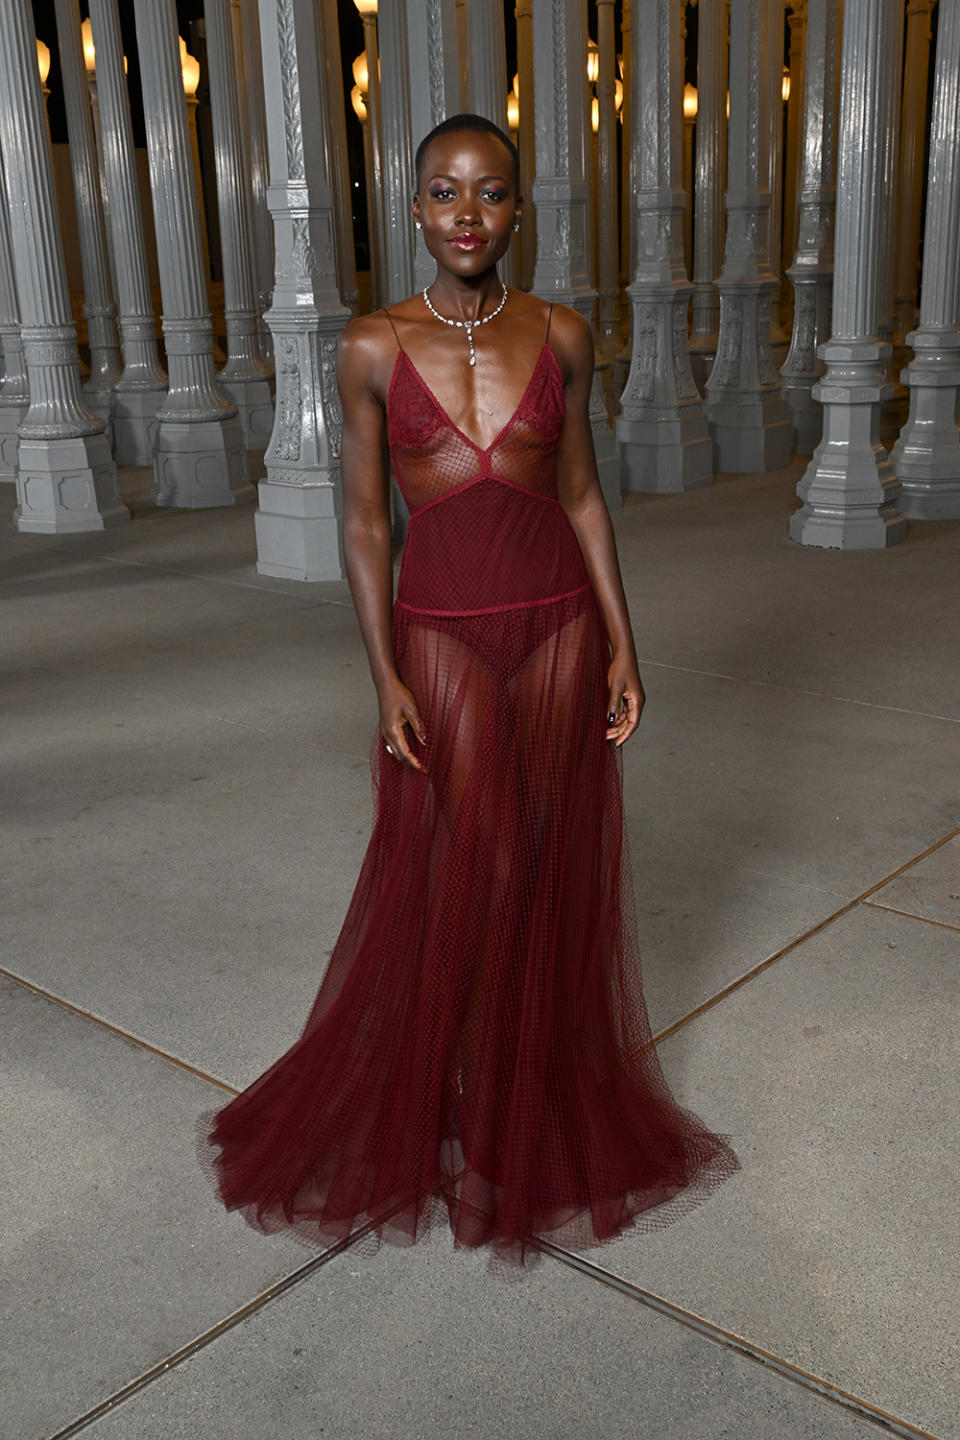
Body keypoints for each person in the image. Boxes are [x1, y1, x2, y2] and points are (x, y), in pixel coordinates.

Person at [201, 114, 737, 1273]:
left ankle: (515, 1120)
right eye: (443, 193)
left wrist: (623, 644)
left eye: (489, 195)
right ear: (411, 208)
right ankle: (472, 1112)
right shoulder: (373, 347)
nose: (466, 216)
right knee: (482, 870)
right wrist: (383, 669)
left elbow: (584, 496)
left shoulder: (563, 333)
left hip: (557, 631)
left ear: (517, 210)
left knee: (542, 868)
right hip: (442, 639)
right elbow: (361, 519)